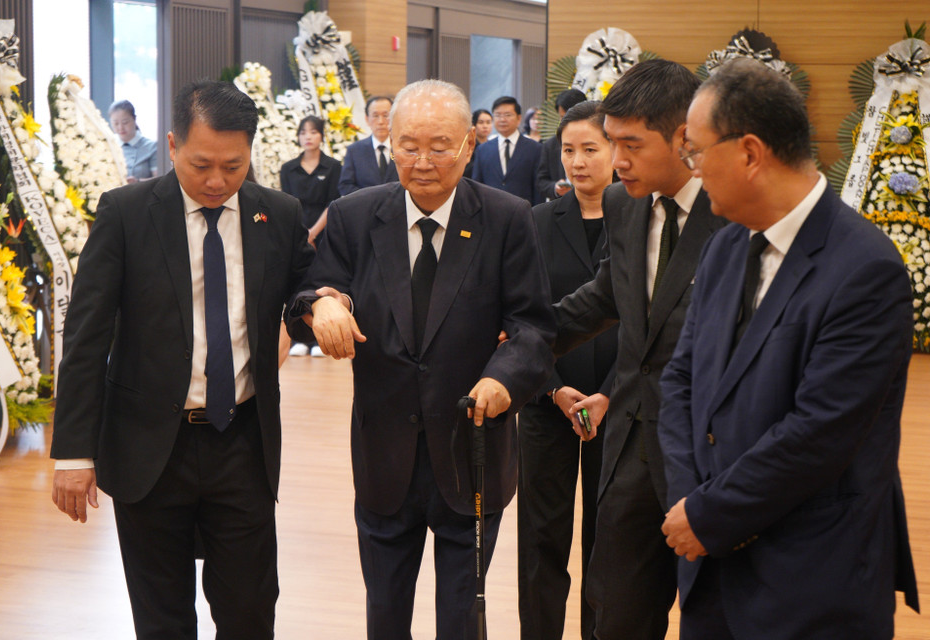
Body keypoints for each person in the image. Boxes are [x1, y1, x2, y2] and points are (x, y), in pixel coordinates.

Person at [658, 57, 920, 640]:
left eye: (696, 152)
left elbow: (820, 432)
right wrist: (689, 503)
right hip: (709, 562)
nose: (693, 170)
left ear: (750, 153)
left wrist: (710, 513)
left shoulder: (866, 269)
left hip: (810, 574)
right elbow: (680, 383)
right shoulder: (726, 248)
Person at [289, 79, 555, 639]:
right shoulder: (355, 216)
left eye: (440, 146)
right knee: (384, 616)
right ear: (390, 144)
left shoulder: (508, 219)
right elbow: (307, 294)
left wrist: (504, 379)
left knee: (462, 619)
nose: (424, 161)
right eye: (409, 145)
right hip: (385, 455)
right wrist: (320, 306)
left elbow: (533, 325)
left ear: (469, 147)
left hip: (473, 446)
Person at [50, 80, 315, 639]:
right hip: (149, 447)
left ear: (250, 154)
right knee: (162, 618)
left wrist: (325, 303)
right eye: (201, 165)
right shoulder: (125, 213)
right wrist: (73, 452)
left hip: (242, 441)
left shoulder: (279, 214)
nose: (217, 181)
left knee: (249, 613)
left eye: (233, 166)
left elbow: (308, 284)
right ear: (171, 145)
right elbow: (86, 336)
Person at [547, 59, 728, 640]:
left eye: (630, 144)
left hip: (710, 452)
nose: (615, 160)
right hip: (629, 447)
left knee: (715, 611)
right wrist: (520, 340)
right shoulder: (626, 206)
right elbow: (604, 297)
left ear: (683, 138)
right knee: (618, 612)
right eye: (611, 142)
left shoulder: (733, 214)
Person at [518, 100, 618, 640]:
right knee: (541, 539)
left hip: (619, 404)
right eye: (568, 151)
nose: (577, 162)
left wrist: (609, 394)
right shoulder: (536, 221)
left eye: (590, 149)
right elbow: (525, 317)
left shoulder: (638, 218)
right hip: (546, 399)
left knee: (609, 540)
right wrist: (555, 389)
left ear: (615, 150)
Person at [279, 115, 340, 358]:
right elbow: (286, 203)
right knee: (297, 284)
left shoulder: (333, 167)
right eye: (303, 132)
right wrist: (302, 234)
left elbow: (333, 203)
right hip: (295, 233)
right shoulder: (288, 168)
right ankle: (298, 339)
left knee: (320, 284)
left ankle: (317, 340)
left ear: (322, 136)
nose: (308, 136)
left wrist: (313, 233)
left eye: (313, 132)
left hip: (324, 233)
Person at [472, 95, 542, 205]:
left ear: (519, 118)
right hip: (490, 213)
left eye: (507, 115)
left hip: (523, 213)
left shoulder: (535, 149)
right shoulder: (483, 150)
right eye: (498, 115)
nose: (502, 119)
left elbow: (538, 188)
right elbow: (476, 186)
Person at [338, 95, 398, 195]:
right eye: (375, 116)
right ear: (367, 119)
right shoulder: (354, 150)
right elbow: (345, 185)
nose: (381, 122)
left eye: (386, 115)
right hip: (365, 208)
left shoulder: (403, 148)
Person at [536, 89, 587, 202]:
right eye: (562, 118)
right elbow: (541, 181)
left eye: (569, 117)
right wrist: (555, 187)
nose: (565, 122)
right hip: (561, 205)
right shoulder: (550, 145)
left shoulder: (599, 141)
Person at [109, 99, 158, 182]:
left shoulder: (151, 146)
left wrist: (138, 182)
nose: (120, 127)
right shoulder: (108, 145)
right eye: (116, 123)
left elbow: (160, 179)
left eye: (125, 122)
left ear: (134, 119)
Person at [463, 108, 493, 179]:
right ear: (473, 125)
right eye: (481, 122)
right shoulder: (469, 146)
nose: (485, 126)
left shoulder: (493, 146)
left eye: (488, 122)